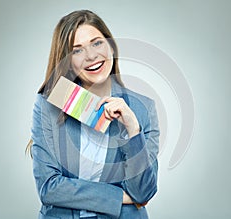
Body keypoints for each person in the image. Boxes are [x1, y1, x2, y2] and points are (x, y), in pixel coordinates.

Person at [27, 9, 160, 219]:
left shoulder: (142, 108)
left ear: (111, 46)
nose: (91, 56)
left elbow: (143, 193)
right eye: (77, 50)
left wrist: (133, 130)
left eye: (97, 43)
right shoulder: (48, 104)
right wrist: (120, 197)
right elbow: (49, 187)